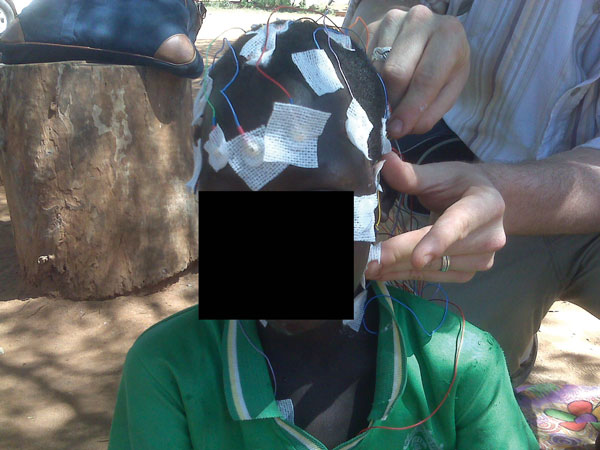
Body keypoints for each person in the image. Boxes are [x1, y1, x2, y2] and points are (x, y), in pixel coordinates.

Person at [108, 20, 537, 449]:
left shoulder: (462, 364)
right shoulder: (167, 369)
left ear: (381, 192)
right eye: (235, 199)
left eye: (316, 196)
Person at [347, 0, 600, 386]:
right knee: (426, 374)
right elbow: (371, 19)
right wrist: (393, 35)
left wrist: (502, 190)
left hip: (548, 195)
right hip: (448, 156)